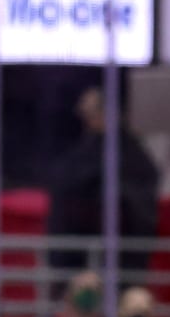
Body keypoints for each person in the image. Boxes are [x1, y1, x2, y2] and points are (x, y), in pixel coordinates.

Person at [47, 87, 161, 279]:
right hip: (76, 258)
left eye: (90, 114)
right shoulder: (83, 151)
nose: (87, 120)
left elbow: (139, 203)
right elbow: (64, 187)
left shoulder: (132, 155)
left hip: (123, 256)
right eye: (84, 114)